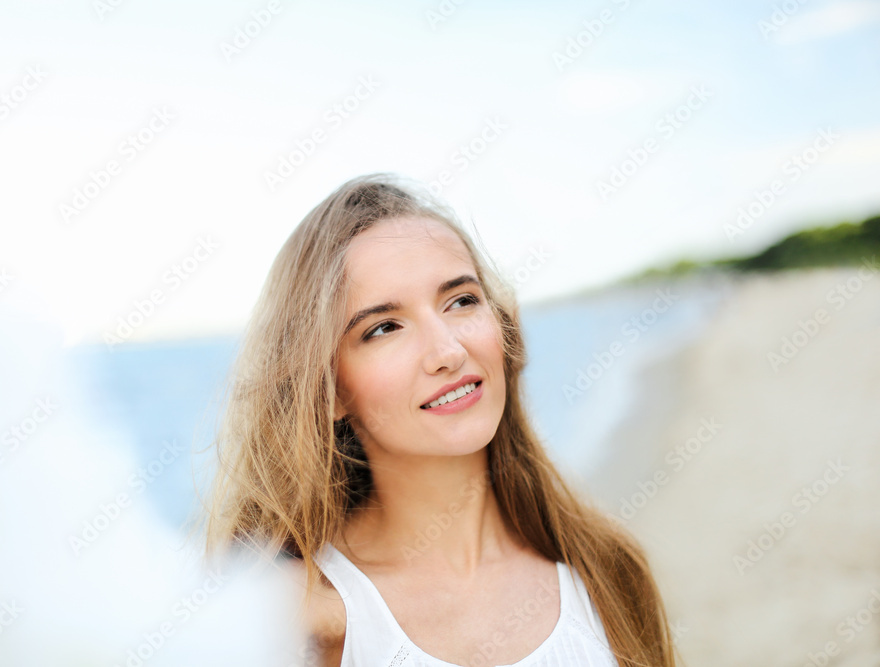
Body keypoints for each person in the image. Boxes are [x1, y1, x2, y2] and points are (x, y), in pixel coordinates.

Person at [200, 174, 678, 667]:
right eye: (384, 328)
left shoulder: (605, 570)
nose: (448, 351)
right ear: (328, 390)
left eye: (461, 300)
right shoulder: (299, 622)